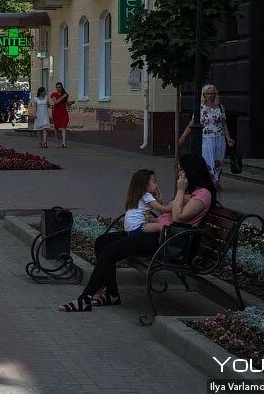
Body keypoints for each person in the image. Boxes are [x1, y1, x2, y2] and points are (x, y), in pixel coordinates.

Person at [59, 154, 216, 312]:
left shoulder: (203, 194)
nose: (179, 173)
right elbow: (169, 214)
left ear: (192, 171)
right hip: (158, 232)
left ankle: (85, 299)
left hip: (167, 241)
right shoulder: (191, 191)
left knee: (111, 251)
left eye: (182, 170)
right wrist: (157, 218)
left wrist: (180, 191)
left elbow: (178, 217)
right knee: (102, 241)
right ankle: (111, 294)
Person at [178, 84, 234, 187]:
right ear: (204, 95)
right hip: (207, 138)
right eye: (208, 94)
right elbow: (191, 124)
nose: (210, 96)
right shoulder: (200, 108)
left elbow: (224, 124)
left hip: (220, 137)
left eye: (212, 93)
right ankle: (211, 183)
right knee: (208, 161)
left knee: (219, 161)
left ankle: (216, 180)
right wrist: (183, 137)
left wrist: (228, 138)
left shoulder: (220, 107)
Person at [122, 169, 169, 233]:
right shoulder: (146, 195)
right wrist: (176, 206)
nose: (156, 184)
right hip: (138, 226)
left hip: (130, 228)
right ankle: (164, 242)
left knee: (156, 221)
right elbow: (163, 209)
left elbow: (144, 213)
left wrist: (159, 201)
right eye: (154, 182)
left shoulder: (139, 195)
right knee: (162, 227)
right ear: (145, 184)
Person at [50, 82, 73, 148]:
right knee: (56, 128)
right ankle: (57, 143)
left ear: (62, 87)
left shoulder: (65, 94)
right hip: (56, 112)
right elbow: (56, 102)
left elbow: (66, 104)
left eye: (59, 87)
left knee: (63, 126)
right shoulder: (54, 94)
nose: (58, 88)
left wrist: (70, 103)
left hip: (63, 112)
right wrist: (63, 96)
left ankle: (63, 142)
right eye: (57, 87)